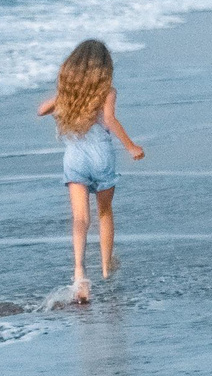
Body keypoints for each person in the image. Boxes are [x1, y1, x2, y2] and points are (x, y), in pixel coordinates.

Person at [34, 39, 145, 303]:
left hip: (75, 158)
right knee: (104, 213)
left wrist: (66, 93)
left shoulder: (69, 94)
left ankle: (80, 272)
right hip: (101, 157)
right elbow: (109, 119)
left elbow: (41, 110)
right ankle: (106, 268)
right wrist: (131, 147)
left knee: (80, 218)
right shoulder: (107, 92)